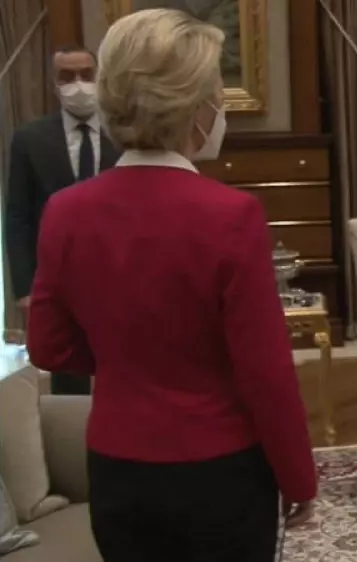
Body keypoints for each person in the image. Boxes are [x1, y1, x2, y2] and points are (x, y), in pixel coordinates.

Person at [26, 9, 316, 562]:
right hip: (219, 470)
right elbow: (266, 374)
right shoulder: (231, 215)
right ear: (194, 108)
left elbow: (48, 347)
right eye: (217, 95)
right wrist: (298, 478)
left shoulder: (65, 211)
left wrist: (128, 360)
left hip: (117, 468)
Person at [5, 44, 120, 395]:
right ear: (53, 83)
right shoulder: (30, 139)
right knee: (68, 370)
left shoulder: (123, 135)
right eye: (67, 76)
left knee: (122, 363)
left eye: (86, 74)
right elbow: (18, 216)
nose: (78, 84)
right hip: (57, 274)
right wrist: (25, 289)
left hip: (116, 267)